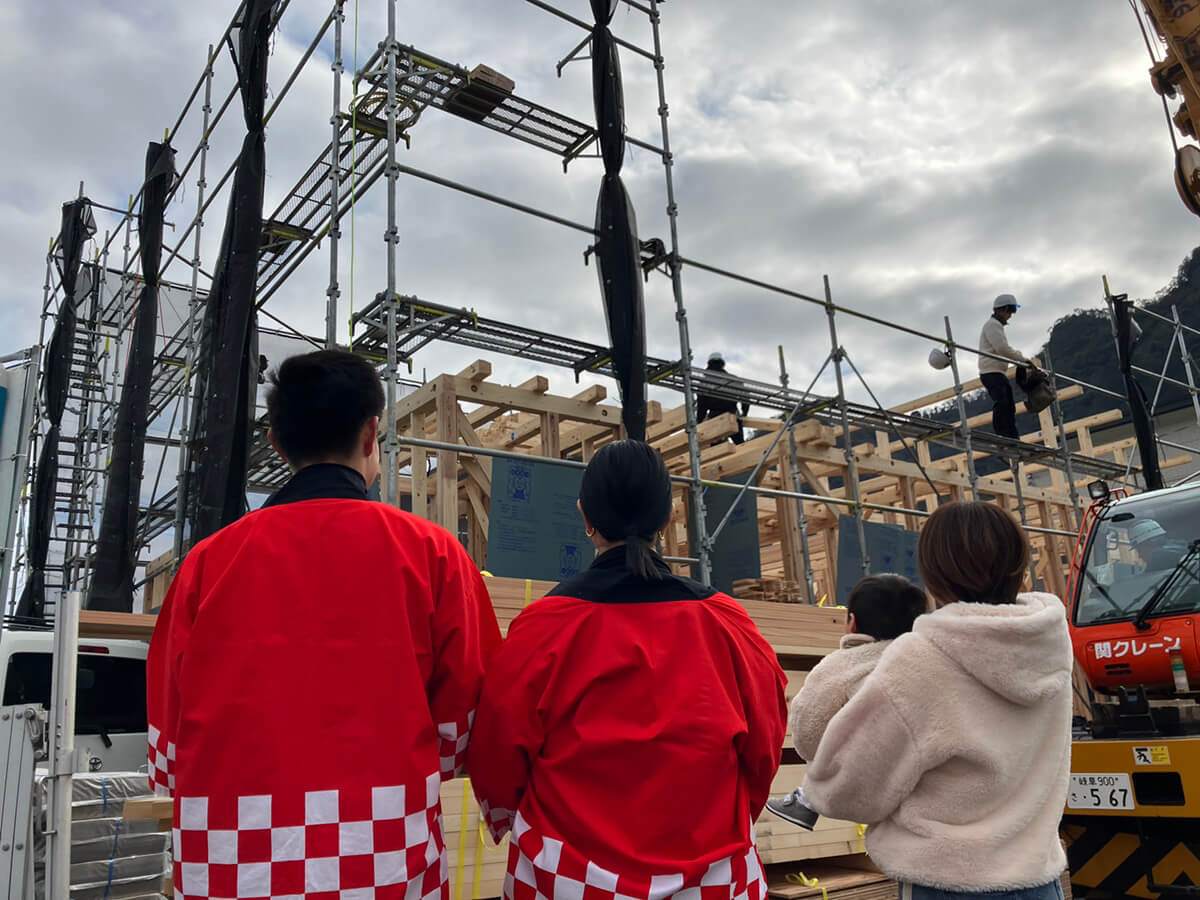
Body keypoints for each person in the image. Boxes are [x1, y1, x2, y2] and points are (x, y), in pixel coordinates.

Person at [147, 349, 502, 900]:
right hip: (385, 855)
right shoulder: (434, 555)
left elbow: (168, 746)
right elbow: (464, 724)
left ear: (278, 443)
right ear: (371, 432)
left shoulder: (206, 565)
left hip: (232, 865)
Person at [467, 440, 787, 900]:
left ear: (584, 514)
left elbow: (498, 754)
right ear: (668, 518)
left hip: (565, 876)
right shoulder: (727, 623)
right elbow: (763, 751)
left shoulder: (544, 627)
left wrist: (511, 817)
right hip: (714, 874)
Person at [800, 502, 1073, 898]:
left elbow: (852, 787)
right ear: (1018, 564)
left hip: (949, 882)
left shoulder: (923, 660)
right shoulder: (1047, 645)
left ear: (934, 575)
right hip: (1037, 879)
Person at [766, 573, 928, 829]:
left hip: (866, 785)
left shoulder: (839, 668)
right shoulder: (930, 665)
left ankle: (809, 799)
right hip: (931, 783)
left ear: (852, 623)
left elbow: (807, 733)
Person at [979, 294, 1039, 440]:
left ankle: (1011, 436)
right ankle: (1004, 436)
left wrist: (1019, 357)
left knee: (1008, 404)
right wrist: (1021, 358)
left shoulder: (996, 326)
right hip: (991, 372)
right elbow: (1002, 349)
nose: (1010, 316)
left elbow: (1003, 348)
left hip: (996, 372)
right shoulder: (992, 325)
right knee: (1003, 403)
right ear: (1003, 309)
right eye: (1010, 311)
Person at [697, 351, 751, 444]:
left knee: (717, 450)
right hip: (732, 415)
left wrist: (699, 419)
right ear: (722, 364)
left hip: (714, 417)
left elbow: (702, 404)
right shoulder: (733, 379)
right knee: (740, 445)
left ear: (709, 364)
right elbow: (745, 397)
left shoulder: (704, 382)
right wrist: (744, 413)